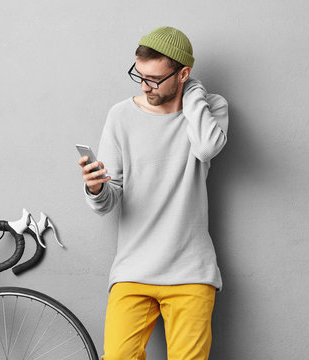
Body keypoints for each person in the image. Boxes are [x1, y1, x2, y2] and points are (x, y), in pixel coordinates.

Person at [78, 26, 229, 360]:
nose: (145, 86)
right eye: (140, 75)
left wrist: (192, 92)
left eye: (155, 79)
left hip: (191, 271)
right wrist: (96, 188)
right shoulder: (120, 116)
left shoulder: (208, 109)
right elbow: (108, 202)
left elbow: (206, 148)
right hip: (133, 270)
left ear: (183, 74)